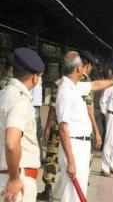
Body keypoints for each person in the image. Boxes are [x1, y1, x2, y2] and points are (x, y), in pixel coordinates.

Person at [56, 51, 113, 201]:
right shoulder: (65, 91)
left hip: (80, 146)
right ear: (78, 68)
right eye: (82, 66)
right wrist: (71, 161)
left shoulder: (74, 86)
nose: (84, 68)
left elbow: (95, 85)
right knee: (71, 195)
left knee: (78, 191)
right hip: (74, 146)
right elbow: (63, 129)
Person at [0, 48, 45, 202]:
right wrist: (14, 178)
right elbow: (12, 143)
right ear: (35, 77)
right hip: (16, 182)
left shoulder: (3, 94)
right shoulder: (20, 100)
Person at [37, 72, 62, 202]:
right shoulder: (82, 84)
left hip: (58, 127)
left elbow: (53, 107)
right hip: (74, 130)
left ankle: (48, 192)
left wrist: (47, 127)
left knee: (51, 157)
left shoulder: (58, 84)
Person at [79, 51, 102, 150]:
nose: (91, 69)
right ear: (87, 65)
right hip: (83, 127)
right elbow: (89, 109)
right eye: (91, 66)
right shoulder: (85, 81)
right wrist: (96, 131)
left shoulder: (70, 79)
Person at [100, 68, 113, 151]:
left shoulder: (108, 83)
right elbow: (102, 101)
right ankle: (104, 147)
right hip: (106, 112)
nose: (111, 74)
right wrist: (103, 113)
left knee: (106, 130)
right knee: (107, 130)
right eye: (110, 73)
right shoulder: (107, 84)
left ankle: (103, 147)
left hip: (106, 112)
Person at [31, 78, 44, 164]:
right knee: (33, 133)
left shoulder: (37, 76)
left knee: (37, 133)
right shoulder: (33, 74)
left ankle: (39, 156)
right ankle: (36, 156)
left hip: (36, 105)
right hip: (32, 105)